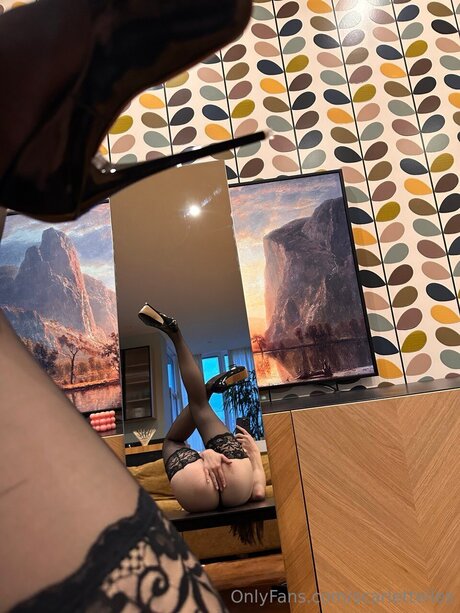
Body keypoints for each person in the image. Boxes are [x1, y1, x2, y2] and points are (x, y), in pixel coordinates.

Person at [0, 0, 265, 609]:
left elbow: (239, 455)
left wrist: (243, 463)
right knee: (200, 405)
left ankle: (178, 339)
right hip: (221, 488)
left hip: (217, 477)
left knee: (196, 408)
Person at [138, 303, 266, 514]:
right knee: (177, 435)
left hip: (216, 481)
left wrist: (207, 454)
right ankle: (177, 338)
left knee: (195, 410)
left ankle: (205, 386)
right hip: (231, 485)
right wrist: (255, 459)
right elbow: (259, 493)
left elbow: (258, 492)